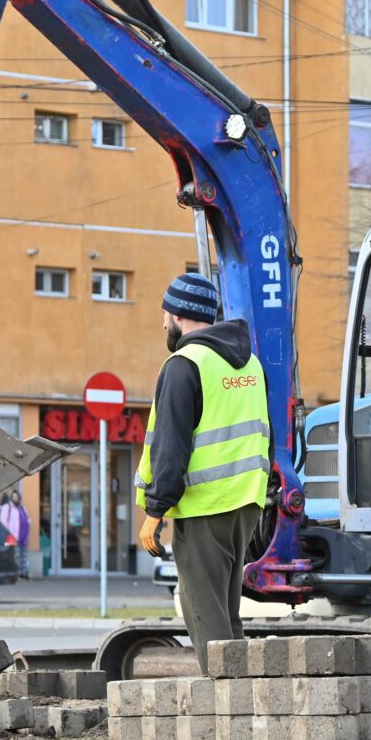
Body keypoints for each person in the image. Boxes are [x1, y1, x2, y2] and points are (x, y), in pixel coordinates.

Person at [135, 273, 270, 674]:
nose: (162, 323)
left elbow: (171, 446)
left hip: (203, 506)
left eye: (164, 313)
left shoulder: (184, 364)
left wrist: (155, 511)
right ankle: (243, 699)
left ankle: (229, 707)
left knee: (205, 616)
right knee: (226, 614)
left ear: (178, 314)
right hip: (246, 503)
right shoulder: (251, 364)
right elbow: (267, 435)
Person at [12, 490, 31, 578]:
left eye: (16, 497)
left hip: (24, 537)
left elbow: (27, 520)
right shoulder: (9, 508)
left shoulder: (23, 508)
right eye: (13, 497)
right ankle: (15, 574)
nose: (15, 499)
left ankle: (24, 573)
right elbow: (4, 523)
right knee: (16, 556)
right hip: (14, 537)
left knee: (24, 556)